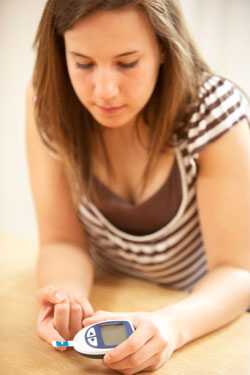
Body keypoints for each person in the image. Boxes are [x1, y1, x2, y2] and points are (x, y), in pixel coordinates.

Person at [26, 0, 250, 373]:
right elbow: (61, 241)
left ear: (163, 48)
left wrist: (169, 326)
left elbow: (238, 272)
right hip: (111, 289)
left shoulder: (211, 111)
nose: (105, 91)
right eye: (83, 63)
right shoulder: (48, 103)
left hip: (200, 309)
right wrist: (66, 296)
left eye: (127, 63)